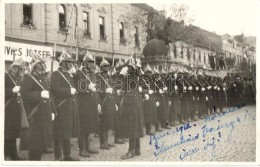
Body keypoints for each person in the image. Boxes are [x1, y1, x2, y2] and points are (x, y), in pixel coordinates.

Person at [20, 54, 53, 160]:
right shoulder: (28, 77)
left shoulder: (42, 77)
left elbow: (49, 95)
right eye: (41, 63)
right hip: (34, 115)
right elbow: (24, 95)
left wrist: (52, 111)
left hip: (43, 114)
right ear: (36, 65)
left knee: (41, 142)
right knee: (34, 145)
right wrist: (39, 95)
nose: (44, 65)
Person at [50, 51, 80, 161]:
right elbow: (54, 89)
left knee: (67, 131)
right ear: (63, 63)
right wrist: (69, 91)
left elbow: (77, 85)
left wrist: (76, 74)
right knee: (59, 133)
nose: (71, 64)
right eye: (68, 62)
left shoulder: (69, 74)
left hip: (69, 107)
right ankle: (58, 156)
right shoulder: (56, 74)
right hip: (61, 107)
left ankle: (67, 155)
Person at [74, 51, 100, 157]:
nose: (91, 64)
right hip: (83, 102)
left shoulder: (92, 73)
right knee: (83, 126)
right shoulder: (78, 73)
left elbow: (95, 87)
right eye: (89, 62)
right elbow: (78, 87)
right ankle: (82, 149)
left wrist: (97, 102)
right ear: (84, 63)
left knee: (89, 124)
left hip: (91, 101)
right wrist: (87, 87)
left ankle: (88, 147)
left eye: (92, 62)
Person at [118, 56, 144, 159]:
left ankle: (131, 150)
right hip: (134, 100)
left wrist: (121, 75)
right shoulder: (135, 74)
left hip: (130, 101)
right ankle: (137, 148)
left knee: (132, 125)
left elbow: (119, 84)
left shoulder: (129, 74)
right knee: (136, 124)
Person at [5, 58, 27, 160]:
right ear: (15, 67)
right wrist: (12, 90)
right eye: (19, 68)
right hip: (8, 107)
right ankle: (9, 154)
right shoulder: (5, 75)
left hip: (15, 107)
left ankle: (12, 153)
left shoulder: (18, 78)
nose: (20, 70)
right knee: (8, 131)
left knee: (13, 131)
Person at [97, 57, 118, 149]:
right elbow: (97, 90)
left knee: (108, 122)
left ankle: (106, 141)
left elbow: (112, 88)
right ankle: (102, 143)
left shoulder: (109, 77)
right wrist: (105, 90)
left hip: (110, 101)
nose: (107, 68)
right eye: (105, 67)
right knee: (103, 123)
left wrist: (115, 100)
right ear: (101, 68)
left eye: (108, 66)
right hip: (103, 101)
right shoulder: (98, 77)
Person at [140, 64, 158, 135]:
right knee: (146, 114)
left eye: (150, 72)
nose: (150, 74)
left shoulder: (152, 80)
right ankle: (147, 129)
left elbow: (154, 89)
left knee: (151, 114)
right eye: (148, 72)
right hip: (146, 99)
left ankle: (150, 129)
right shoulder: (142, 80)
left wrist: (156, 99)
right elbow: (140, 89)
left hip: (152, 98)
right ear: (145, 73)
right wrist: (146, 93)